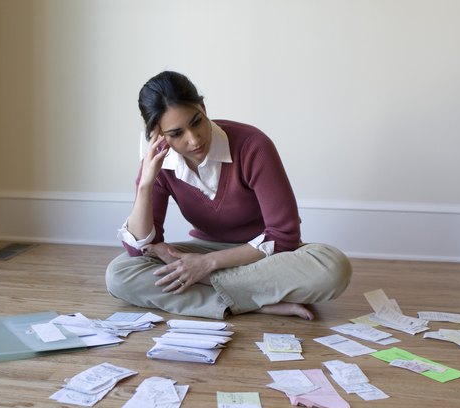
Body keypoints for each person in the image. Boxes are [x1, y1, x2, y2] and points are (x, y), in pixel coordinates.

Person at [105, 71, 351, 320]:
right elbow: (140, 249)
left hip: (263, 256)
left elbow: (284, 236)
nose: (194, 139)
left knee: (331, 267)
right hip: (203, 249)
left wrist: (207, 265)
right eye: (177, 134)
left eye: (196, 121)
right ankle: (255, 302)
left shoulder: (252, 145)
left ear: (203, 107)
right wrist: (146, 183)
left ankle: (220, 294)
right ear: (158, 135)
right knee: (120, 273)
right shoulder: (158, 163)